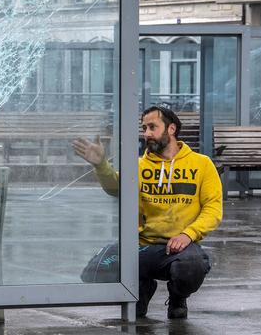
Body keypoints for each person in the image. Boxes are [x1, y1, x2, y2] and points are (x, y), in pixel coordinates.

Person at [72, 106, 222, 319]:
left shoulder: (202, 164)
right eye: (144, 128)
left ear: (171, 129)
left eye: (152, 127)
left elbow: (213, 208)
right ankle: (142, 286)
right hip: (142, 246)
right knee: (95, 272)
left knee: (191, 266)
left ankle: (178, 296)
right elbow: (117, 189)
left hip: (179, 247)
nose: (147, 133)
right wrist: (101, 165)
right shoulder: (138, 165)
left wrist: (188, 234)